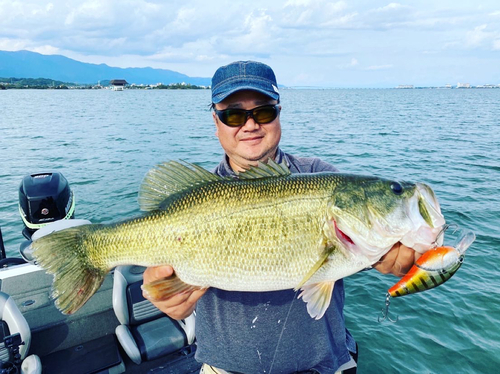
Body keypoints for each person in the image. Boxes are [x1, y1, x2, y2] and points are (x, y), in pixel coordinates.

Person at [143, 61, 419, 373]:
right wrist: (167, 294)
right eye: (233, 114)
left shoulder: (320, 177)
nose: (250, 125)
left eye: (263, 112)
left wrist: (388, 256)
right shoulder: (197, 193)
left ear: (278, 114)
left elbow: (378, 253)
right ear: (215, 121)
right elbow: (162, 281)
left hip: (323, 366)